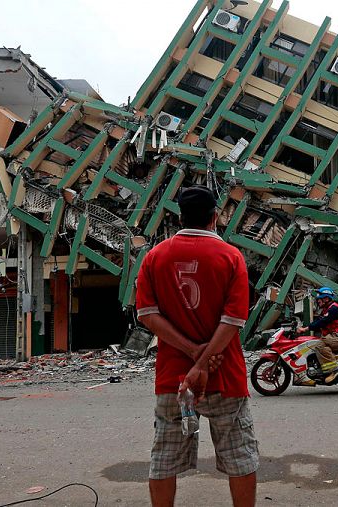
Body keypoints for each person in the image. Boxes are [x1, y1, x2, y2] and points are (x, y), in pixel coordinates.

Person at [136, 185, 258, 507]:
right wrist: (203, 363)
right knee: (239, 456)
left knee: (163, 457)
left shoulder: (155, 257)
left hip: (173, 377)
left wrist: (191, 353)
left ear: (180, 217)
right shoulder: (231, 257)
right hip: (224, 374)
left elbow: (146, 314)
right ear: (214, 217)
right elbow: (234, 320)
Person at [296, 287, 338, 383]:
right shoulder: (327, 309)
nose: (318, 301)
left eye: (319, 299)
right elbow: (319, 321)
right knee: (318, 346)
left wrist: (306, 328)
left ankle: (334, 370)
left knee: (319, 345)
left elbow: (323, 322)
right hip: (334, 336)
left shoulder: (334, 309)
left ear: (326, 298)